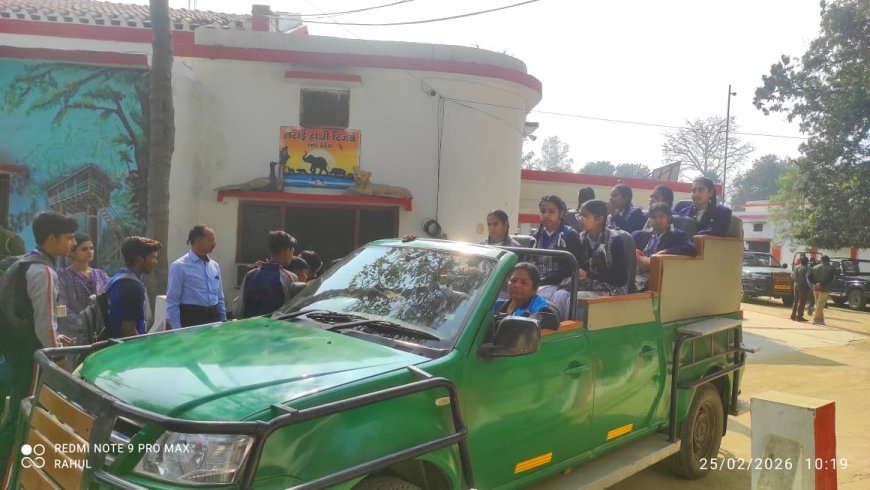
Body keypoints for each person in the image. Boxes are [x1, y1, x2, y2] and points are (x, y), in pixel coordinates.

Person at [0, 211, 77, 467]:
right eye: (69, 238)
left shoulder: (22, 263)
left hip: (15, 350)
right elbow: (46, 326)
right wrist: (60, 359)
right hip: (32, 357)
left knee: (16, 411)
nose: (72, 243)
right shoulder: (43, 271)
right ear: (51, 238)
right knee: (23, 415)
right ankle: (10, 470)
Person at [530, 195, 582, 317]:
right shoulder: (536, 236)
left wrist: (544, 280)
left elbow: (570, 268)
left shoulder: (570, 235)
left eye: (551, 212)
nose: (546, 215)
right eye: (543, 211)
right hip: (539, 282)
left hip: (562, 283)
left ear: (561, 213)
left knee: (560, 297)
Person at [166, 225, 226, 328]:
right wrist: (177, 330)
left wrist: (223, 321)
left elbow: (220, 297)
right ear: (198, 240)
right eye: (210, 240)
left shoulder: (214, 266)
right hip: (191, 320)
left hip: (213, 320)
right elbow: (172, 301)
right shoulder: (179, 266)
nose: (214, 244)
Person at [233, 231, 299, 319]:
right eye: (292, 251)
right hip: (275, 326)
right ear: (287, 251)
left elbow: (238, 311)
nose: (292, 256)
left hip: (250, 325)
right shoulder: (290, 277)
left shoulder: (250, 274)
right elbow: (291, 312)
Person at [106, 237, 162, 338]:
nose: (156, 262)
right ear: (139, 259)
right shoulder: (133, 287)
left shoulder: (118, 277)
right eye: (153, 257)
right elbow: (128, 331)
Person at [632, 202, 696, 290]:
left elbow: (692, 249)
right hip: (638, 271)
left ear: (669, 218)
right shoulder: (641, 235)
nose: (658, 220)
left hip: (660, 276)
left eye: (661, 216)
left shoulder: (677, 235)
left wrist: (666, 251)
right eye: (654, 217)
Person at [57, 233, 110, 339]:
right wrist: (82, 323)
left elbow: (108, 300)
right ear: (71, 252)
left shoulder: (101, 274)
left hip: (100, 330)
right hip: (74, 333)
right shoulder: (63, 276)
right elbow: (61, 307)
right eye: (84, 249)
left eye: (91, 248)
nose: (90, 252)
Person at [577, 199, 629, 298]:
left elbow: (620, 278)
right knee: (562, 294)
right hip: (588, 285)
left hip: (613, 289)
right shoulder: (580, 238)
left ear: (600, 219)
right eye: (579, 216)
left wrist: (588, 274)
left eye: (585, 216)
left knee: (577, 297)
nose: (580, 219)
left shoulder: (614, 240)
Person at [494, 262, 561, 329]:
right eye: (513, 280)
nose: (517, 285)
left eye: (524, 283)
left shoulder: (540, 305)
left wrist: (520, 324)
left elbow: (551, 318)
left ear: (535, 288)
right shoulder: (498, 305)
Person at [807, 255, 835, 325]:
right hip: (824, 289)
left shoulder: (814, 267)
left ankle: (821, 320)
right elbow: (830, 279)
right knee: (820, 305)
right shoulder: (830, 269)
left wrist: (815, 283)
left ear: (821, 260)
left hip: (815, 288)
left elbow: (809, 277)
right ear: (827, 261)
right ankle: (816, 319)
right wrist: (821, 284)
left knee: (818, 304)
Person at [790, 255, 811, 322]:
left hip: (796, 285)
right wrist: (810, 286)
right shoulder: (807, 268)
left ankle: (793, 315)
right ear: (807, 262)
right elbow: (808, 279)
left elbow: (792, 276)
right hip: (804, 287)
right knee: (802, 302)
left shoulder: (796, 267)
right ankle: (799, 317)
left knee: (796, 301)